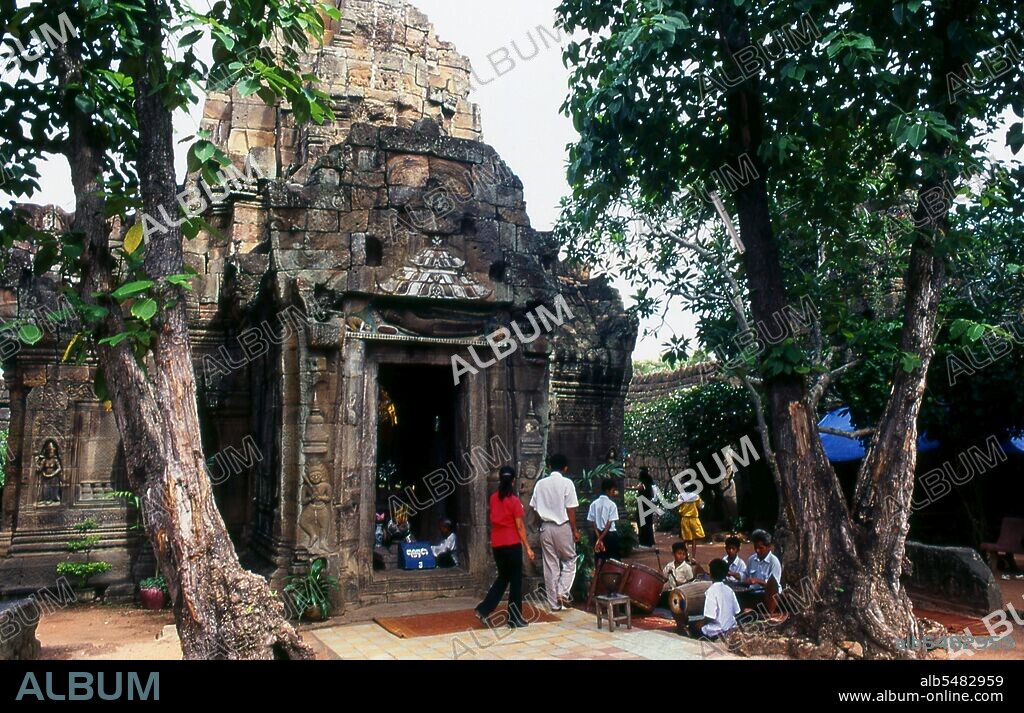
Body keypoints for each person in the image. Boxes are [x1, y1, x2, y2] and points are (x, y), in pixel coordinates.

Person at [476, 467, 536, 628]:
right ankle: (514, 617)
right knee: (516, 580)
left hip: (497, 544)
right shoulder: (514, 500)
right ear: (514, 480)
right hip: (511, 544)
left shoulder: (494, 498)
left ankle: (484, 609)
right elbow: (520, 527)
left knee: (503, 577)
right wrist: (528, 547)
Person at [529, 454, 580, 611]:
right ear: (565, 468)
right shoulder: (567, 483)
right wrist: (575, 530)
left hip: (545, 527)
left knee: (550, 565)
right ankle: (562, 592)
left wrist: (540, 525)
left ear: (549, 466)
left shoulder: (540, 484)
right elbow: (570, 509)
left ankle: (554, 604)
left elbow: (535, 508)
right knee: (570, 560)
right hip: (563, 526)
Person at [689, 558, 741, 640]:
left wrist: (700, 623)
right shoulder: (729, 589)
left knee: (692, 626)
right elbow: (737, 611)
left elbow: (710, 616)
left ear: (711, 574)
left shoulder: (711, 591)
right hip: (731, 628)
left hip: (716, 631)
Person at [745, 529, 783, 616]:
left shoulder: (774, 562)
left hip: (768, 596)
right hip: (753, 593)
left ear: (768, 547)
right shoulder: (752, 559)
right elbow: (746, 575)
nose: (757, 550)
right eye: (755, 547)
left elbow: (773, 586)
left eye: (761, 548)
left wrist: (757, 581)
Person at [587, 477, 620, 566]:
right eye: (613, 491)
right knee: (613, 563)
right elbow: (609, 524)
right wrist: (601, 539)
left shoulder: (593, 504)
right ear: (607, 490)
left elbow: (593, 523)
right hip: (610, 536)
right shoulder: (612, 505)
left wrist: (599, 539)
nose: (614, 493)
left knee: (599, 562)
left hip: (597, 534)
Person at [634, 468, 659, 548]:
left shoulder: (643, 484)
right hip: (648, 504)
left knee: (642, 523)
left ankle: (644, 542)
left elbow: (638, 488)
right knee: (648, 523)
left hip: (642, 505)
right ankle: (650, 542)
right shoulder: (649, 483)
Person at [678, 490, 705, 560]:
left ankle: (686, 555)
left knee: (685, 539)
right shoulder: (696, 496)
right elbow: (701, 506)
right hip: (694, 519)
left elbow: (678, 505)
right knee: (694, 539)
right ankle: (693, 557)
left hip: (685, 519)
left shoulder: (681, 496)